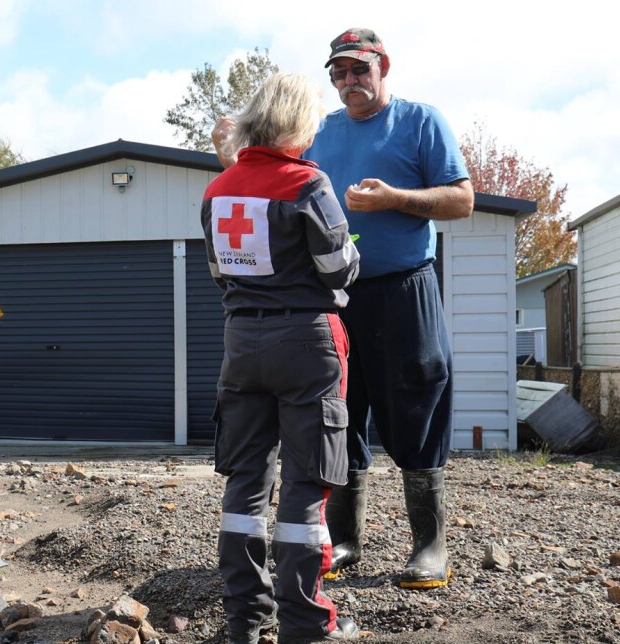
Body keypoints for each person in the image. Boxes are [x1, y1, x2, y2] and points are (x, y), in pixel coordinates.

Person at [213, 28, 473, 591]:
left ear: (384, 66)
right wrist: (225, 155)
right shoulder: (318, 133)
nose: (348, 81)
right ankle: (345, 537)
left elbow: (461, 199)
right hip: (333, 297)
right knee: (340, 409)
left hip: (407, 288)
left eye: (359, 69)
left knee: (418, 403)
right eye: (339, 72)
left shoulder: (421, 122)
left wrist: (396, 199)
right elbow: (267, 176)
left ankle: (430, 546)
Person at [202, 73, 361, 644]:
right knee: (304, 485)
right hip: (306, 343)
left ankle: (244, 622)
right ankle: (305, 626)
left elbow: (221, 273)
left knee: (244, 483)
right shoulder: (308, 183)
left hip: (241, 343)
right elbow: (340, 269)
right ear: (298, 123)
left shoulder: (218, 190)